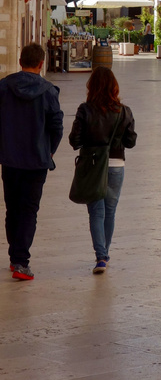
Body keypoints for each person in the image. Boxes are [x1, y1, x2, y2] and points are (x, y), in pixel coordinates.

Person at [0, 42, 63, 281]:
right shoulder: (48, 91)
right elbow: (57, 125)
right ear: (41, 63)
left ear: (20, 62)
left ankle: (14, 256)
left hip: (10, 159)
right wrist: (50, 150)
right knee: (29, 211)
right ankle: (20, 261)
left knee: (12, 208)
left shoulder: (4, 87)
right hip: (37, 160)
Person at [69, 66, 137, 275]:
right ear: (114, 87)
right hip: (116, 164)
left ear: (92, 87)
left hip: (92, 165)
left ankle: (101, 256)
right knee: (110, 211)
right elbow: (131, 141)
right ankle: (104, 254)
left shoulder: (85, 109)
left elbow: (75, 141)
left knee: (96, 212)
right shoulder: (124, 111)